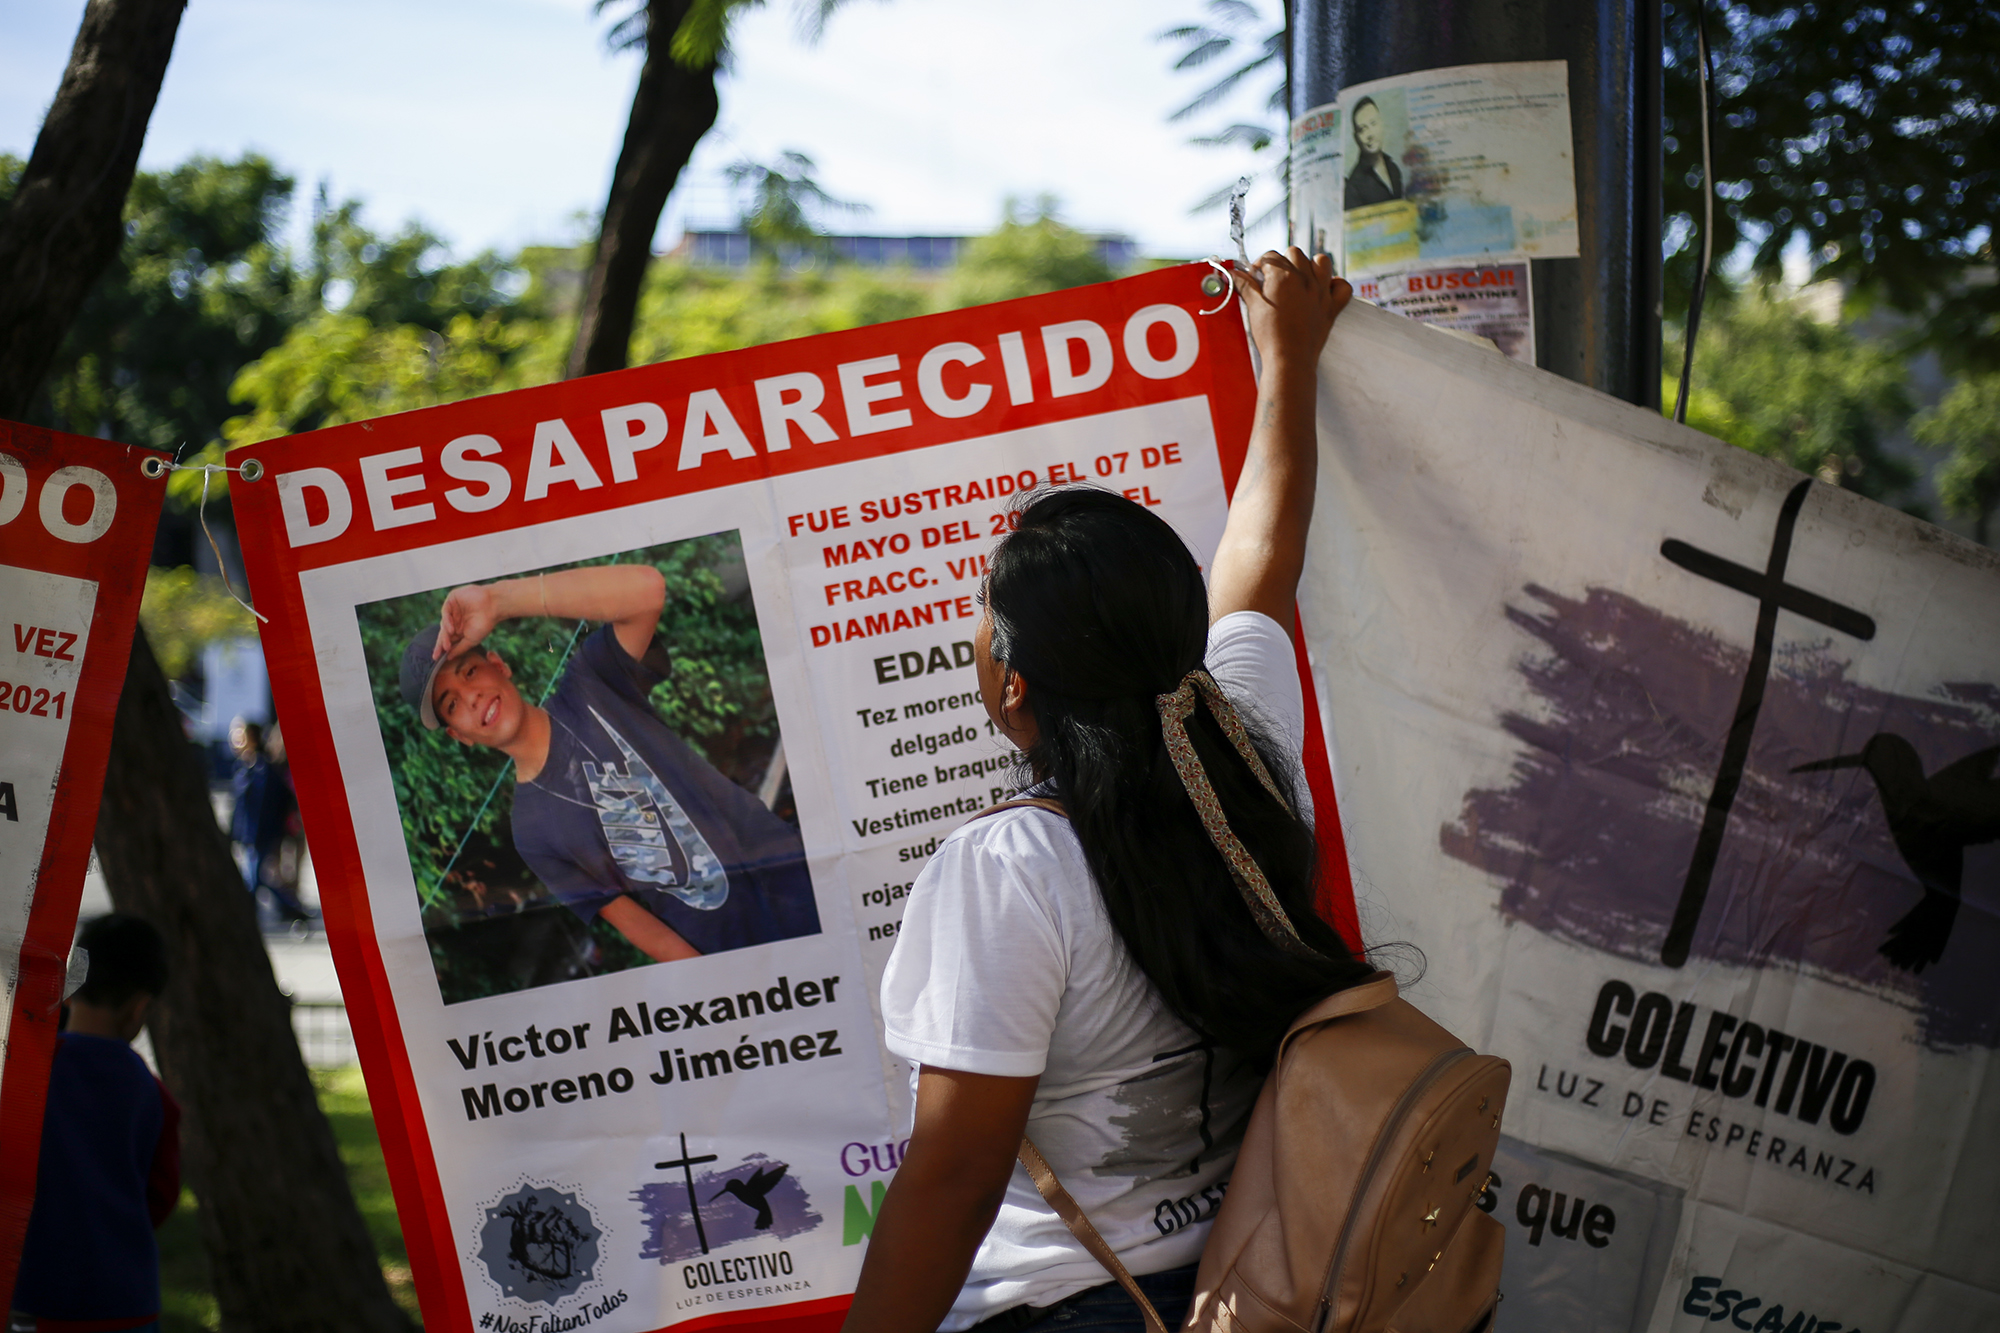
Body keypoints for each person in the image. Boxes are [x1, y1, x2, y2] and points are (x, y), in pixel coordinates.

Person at [842, 248, 1370, 1333]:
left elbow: (953, 1176)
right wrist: (1288, 361)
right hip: (1256, 1285)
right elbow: (1262, 562)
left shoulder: (1009, 866)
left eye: (983, 623)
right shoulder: (1237, 748)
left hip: (1069, 1308)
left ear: (1013, 679)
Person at [398, 562, 819, 963]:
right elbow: (640, 927)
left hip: (802, 879)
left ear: (498, 666)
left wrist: (498, 600)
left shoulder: (592, 684)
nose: (470, 696)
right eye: (451, 703)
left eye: (469, 672)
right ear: (461, 735)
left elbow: (647, 590)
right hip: (737, 957)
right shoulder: (531, 832)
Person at [10, 915, 180, 1333]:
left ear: (69, 992)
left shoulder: (24, 1075)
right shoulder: (152, 1093)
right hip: (124, 1302)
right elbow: (160, 1195)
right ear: (140, 1006)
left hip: (31, 1298)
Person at [228, 718, 310, 925]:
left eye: (240, 735)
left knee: (255, 880)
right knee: (258, 878)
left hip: (262, 834)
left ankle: (255, 916)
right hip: (249, 834)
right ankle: (290, 909)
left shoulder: (264, 771)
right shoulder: (244, 769)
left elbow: (270, 806)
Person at [1344, 95, 1404, 208]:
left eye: (1373, 123)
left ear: (1381, 124)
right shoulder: (1354, 186)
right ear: (1356, 137)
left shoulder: (1393, 168)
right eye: (1362, 129)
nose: (1370, 134)